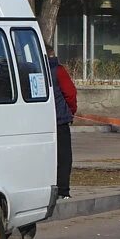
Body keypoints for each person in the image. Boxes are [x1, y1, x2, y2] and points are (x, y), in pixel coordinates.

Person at [47, 44, 78, 199]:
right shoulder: (58, 71)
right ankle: (63, 190)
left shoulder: (34, 69)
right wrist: (70, 111)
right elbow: (70, 94)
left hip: (41, 120)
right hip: (59, 120)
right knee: (64, 157)